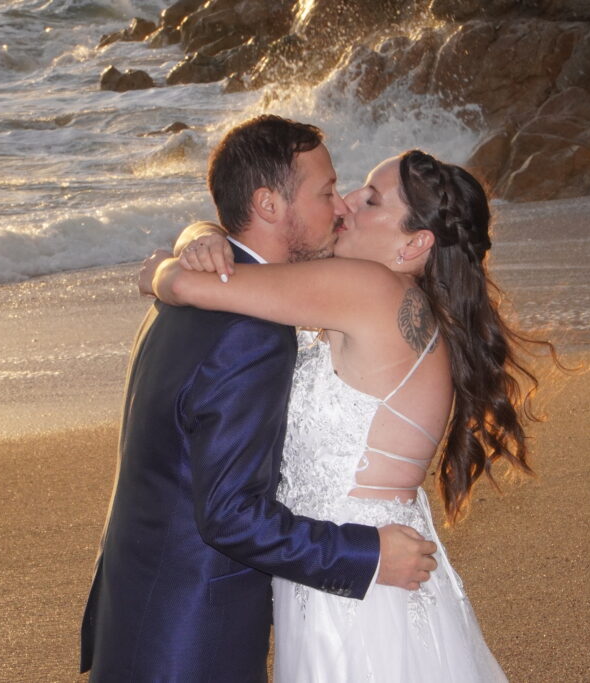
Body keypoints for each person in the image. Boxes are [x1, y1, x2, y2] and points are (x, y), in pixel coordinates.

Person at [142, 149, 551, 680]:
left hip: (358, 578)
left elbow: (187, 285)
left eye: (372, 200)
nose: (347, 202)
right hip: (354, 565)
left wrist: (161, 267)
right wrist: (199, 235)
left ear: (414, 244)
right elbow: (246, 256)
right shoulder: (393, 299)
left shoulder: (369, 289)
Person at [79, 116, 438, 682]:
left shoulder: (189, 297)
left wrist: (193, 238)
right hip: (190, 642)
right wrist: (367, 556)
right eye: (325, 193)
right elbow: (230, 516)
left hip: (138, 612)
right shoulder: (251, 332)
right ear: (269, 204)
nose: (340, 207)